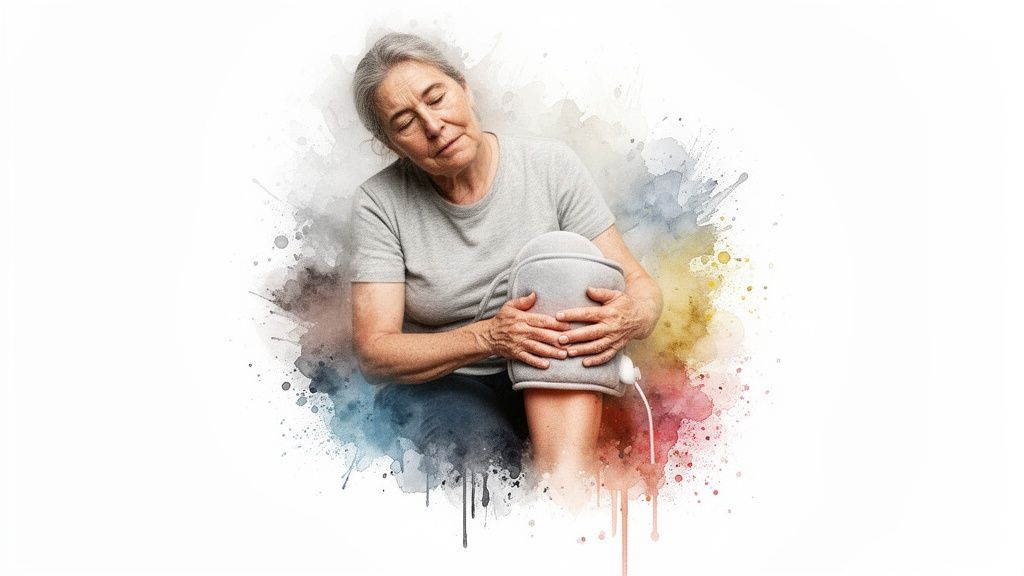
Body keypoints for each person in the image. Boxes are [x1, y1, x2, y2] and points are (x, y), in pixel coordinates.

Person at [348, 32, 663, 489]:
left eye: (436, 98)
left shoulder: (550, 165)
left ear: (464, 88)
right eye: (405, 122)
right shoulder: (377, 204)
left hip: (552, 369)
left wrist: (634, 315)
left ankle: (564, 498)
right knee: (488, 465)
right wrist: (491, 336)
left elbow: (639, 284)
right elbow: (375, 353)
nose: (433, 126)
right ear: (392, 143)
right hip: (447, 385)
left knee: (565, 258)